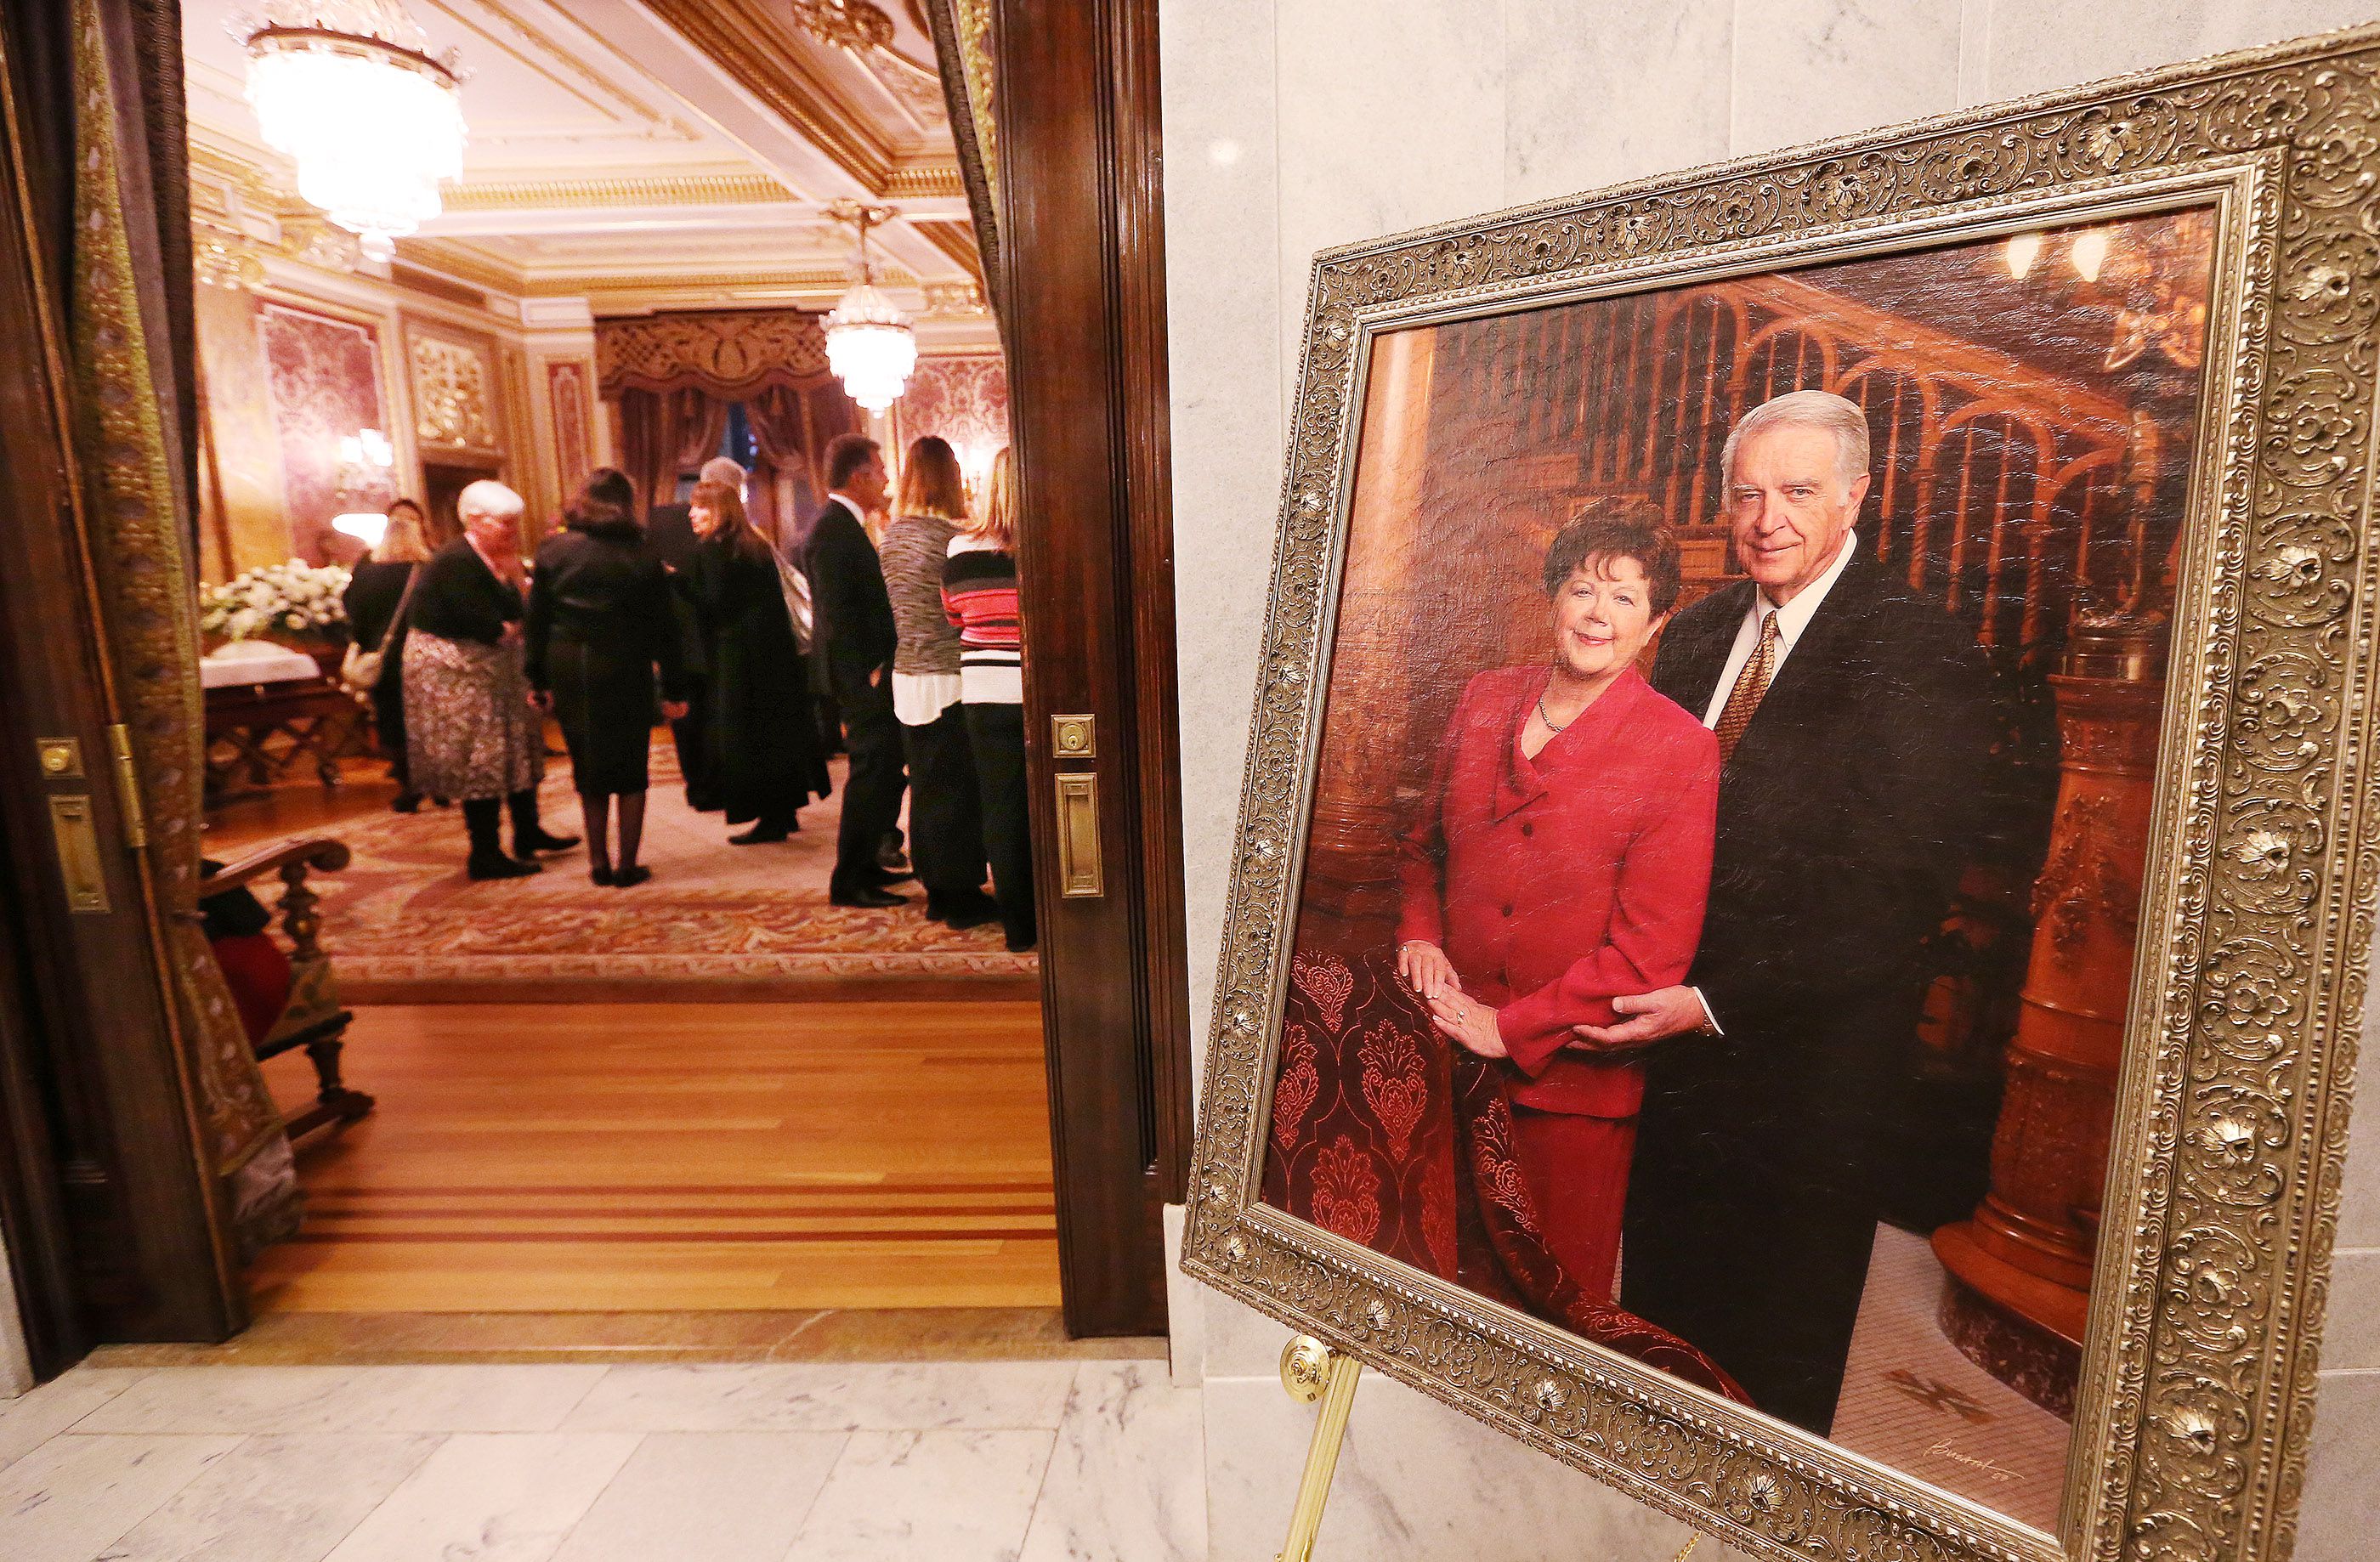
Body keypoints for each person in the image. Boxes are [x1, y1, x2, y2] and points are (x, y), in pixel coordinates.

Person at [1582, 390, 2003, 1434]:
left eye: (1798, 492)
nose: (1767, 518)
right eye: (1747, 494)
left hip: (1806, 1076)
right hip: (1667, 1051)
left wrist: (1709, 999)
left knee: (1768, 1375)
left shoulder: (1921, 649)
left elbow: (1895, 891)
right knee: (1659, 1334)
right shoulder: (1697, 633)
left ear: (1856, 495)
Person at [1395, 509, 1718, 1302]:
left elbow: (1650, 956)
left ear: (1657, 624)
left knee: (1546, 1312)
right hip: (1442, 1050)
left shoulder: (1680, 747)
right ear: (1554, 598)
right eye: (1582, 589)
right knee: (1431, 1285)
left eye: (1625, 598)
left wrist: (1506, 1029)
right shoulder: (1483, 697)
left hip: (1571, 1093)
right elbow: (1422, 847)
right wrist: (1421, 935)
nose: (1598, 614)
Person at [401, 480, 579, 880]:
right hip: (454, 674)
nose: (514, 532)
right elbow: (489, 627)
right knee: (481, 758)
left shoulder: (498, 559)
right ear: (475, 521)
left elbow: (520, 617)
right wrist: (513, 621)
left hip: (493, 668)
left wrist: (517, 591)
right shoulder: (455, 561)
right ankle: (484, 853)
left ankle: (528, 831)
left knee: (519, 745)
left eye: (515, 523)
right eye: (505, 524)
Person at [525, 468, 689, 888]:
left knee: (588, 766)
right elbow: (665, 628)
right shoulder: (643, 552)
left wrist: (536, 679)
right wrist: (674, 687)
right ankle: (627, 865)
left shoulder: (553, 550)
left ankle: (598, 863)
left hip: (572, 667)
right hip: (625, 664)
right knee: (631, 767)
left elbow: (537, 621)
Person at [881, 438, 1000, 930]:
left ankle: (936, 886)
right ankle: (960, 895)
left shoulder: (892, 535)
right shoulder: (952, 539)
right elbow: (958, 611)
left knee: (926, 787)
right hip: (948, 672)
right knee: (957, 791)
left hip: (907, 672)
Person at [684, 477, 830, 842]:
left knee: (747, 739)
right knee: (777, 734)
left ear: (719, 511)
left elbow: (715, 606)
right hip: (774, 655)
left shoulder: (713, 550)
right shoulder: (755, 544)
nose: (692, 514)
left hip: (739, 657)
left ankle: (771, 818)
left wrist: (679, 584)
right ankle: (784, 811)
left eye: (700, 507)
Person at [803, 433, 912, 908]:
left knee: (883, 767)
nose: (886, 479)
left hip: (865, 671)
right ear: (858, 476)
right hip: (859, 674)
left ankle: (867, 865)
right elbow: (838, 614)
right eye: (880, 470)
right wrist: (868, 668)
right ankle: (848, 879)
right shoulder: (832, 529)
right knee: (870, 771)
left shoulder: (844, 525)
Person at [940, 447, 1035, 951]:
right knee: (1061, 804)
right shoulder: (1048, 541)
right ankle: (1065, 920)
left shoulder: (960, 549)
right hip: (1042, 689)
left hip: (984, 693)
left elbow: (954, 615)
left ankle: (1019, 928)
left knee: (1001, 809)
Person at [648, 455, 749, 812]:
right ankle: (712, 788)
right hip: (711, 638)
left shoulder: (661, 520)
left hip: (678, 639)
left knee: (689, 724)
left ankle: (699, 788)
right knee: (711, 721)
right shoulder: (722, 536)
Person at [343, 498, 431, 812]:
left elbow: (353, 614)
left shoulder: (367, 575)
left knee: (394, 722)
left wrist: (367, 643)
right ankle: (438, 782)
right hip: (423, 655)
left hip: (385, 659)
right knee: (427, 721)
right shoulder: (427, 571)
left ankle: (408, 783)